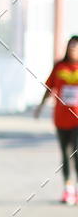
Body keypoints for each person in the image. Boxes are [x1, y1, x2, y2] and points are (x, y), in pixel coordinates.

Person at [35, 34, 78, 204]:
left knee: (76, 151)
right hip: (61, 118)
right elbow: (49, 87)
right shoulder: (60, 66)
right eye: (71, 46)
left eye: (76, 47)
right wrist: (40, 106)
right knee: (65, 153)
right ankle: (68, 189)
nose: (73, 50)